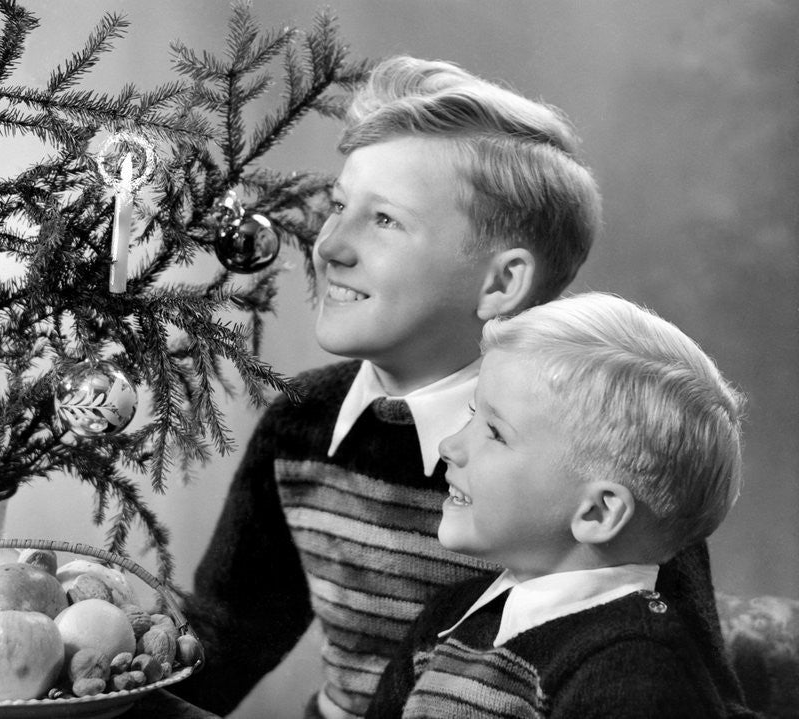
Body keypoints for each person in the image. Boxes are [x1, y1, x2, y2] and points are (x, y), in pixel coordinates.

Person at [170, 55, 606, 719]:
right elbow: (227, 637)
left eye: (385, 221)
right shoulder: (301, 424)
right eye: (340, 206)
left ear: (500, 283)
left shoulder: (597, 451)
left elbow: (656, 669)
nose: (328, 246)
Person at [365, 292, 746, 718]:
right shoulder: (449, 618)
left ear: (598, 513)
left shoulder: (635, 670)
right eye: (472, 413)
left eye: (495, 433)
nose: (448, 445)